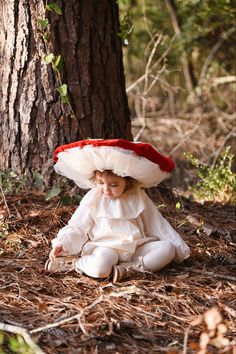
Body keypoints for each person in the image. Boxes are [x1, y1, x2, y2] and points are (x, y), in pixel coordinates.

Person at [45, 139, 190, 282]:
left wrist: (179, 248)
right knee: (101, 269)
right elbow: (78, 226)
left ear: (127, 182)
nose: (106, 189)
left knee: (167, 248)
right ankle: (73, 263)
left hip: (135, 248)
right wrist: (63, 243)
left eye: (114, 185)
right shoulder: (93, 198)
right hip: (107, 248)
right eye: (101, 183)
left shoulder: (138, 197)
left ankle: (130, 270)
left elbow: (157, 223)